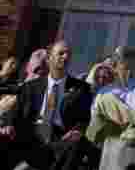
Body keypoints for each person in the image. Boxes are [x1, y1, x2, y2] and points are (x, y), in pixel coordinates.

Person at [2, 40, 97, 170]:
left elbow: (84, 118)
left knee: (77, 143)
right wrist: (8, 124)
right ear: (49, 58)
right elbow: (15, 113)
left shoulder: (81, 88)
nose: (66, 57)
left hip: (60, 139)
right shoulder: (30, 87)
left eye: (68, 54)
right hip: (30, 136)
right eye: (61, 53)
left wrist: (77, 130)